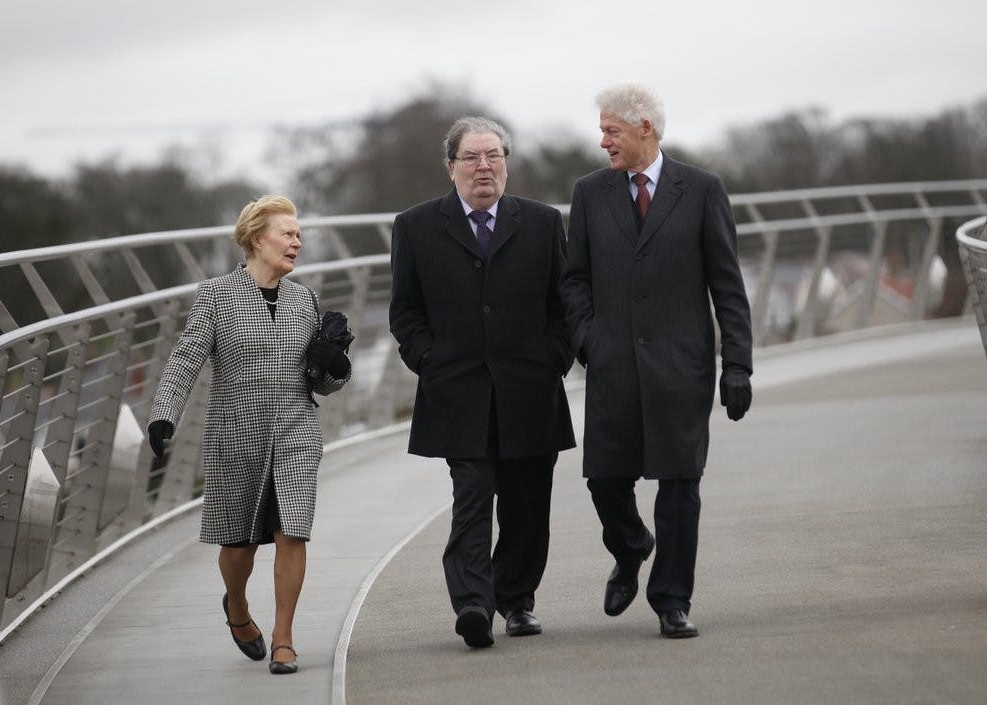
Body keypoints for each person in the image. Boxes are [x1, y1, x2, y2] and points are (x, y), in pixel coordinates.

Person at [561, 83, 753, 639]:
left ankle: (672, 599)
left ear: (645, 128)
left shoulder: (702, 190)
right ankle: (630, 547)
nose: (603, 142)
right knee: (604, 479)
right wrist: (589, 341)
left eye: (611, 131)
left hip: (681, 367)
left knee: (679, 486)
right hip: (613, 365)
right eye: (602, 131)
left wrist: (736, 364)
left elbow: (727, 285)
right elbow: (574, 280)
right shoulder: (590, 192)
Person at [389, 116, 576, 649]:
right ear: (451, 168)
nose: (484, 166)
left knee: (527, 505)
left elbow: (564, 305)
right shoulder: (416, 227)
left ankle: (516, 600)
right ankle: (474, 602)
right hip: (458, 390)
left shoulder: (541, 223)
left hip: (530, 389)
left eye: (493, 155)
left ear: (507, 163)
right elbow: (405, 312)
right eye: (471, 157)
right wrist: (430, 360)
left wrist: (554, 359)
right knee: (472, 496)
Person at [147, 195, 351, 673]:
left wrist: (335, 366)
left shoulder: (305, 299)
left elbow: (322, 382)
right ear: (257, 238)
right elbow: (185, 358)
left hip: (297, 433)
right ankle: (236, 608)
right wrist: (164, 414)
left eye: (300, 235)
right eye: (288, 233)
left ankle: (284, 638)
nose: (297, 242)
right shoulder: (216, 296)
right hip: (236, 437)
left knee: (292, 532)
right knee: (237, 545)